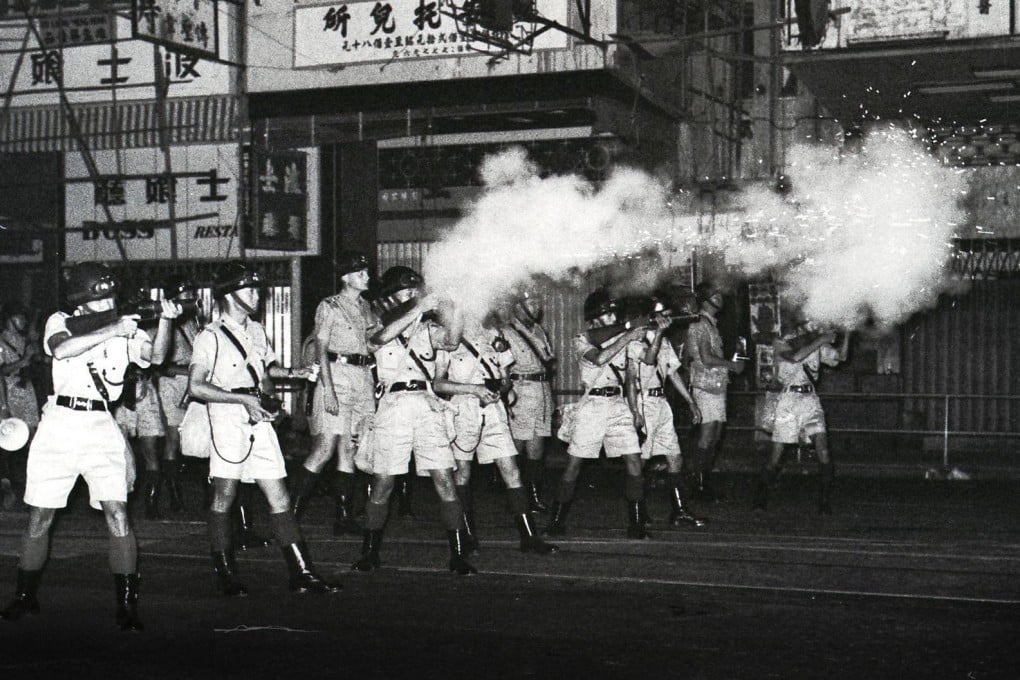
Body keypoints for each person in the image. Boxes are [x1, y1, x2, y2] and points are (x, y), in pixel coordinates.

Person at [0, 262, 181, 631]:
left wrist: (165, 322)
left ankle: (127, 605)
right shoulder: (59, 320)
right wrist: (114, 328)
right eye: (101, 298)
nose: (109, 303)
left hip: (102, 423)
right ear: (83, 301)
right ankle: (24, 596)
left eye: (111, 298)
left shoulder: (122, 328)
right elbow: (61, 350)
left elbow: (157, 357)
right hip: (61, 423)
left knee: (118, 513)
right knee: (41, 515)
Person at [188, 262, 340, 596]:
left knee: (279, 495)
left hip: (259, 421)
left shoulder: (256, 331)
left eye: (258, 289)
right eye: (250, 289)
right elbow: (197, 387)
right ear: (229, 294)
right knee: (225, 495)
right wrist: (240, 400)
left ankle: (302, 572)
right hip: (228, 420)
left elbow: (266, 370)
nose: (258, 295)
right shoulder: (209, 336)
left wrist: (294, 374)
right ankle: (226, 574)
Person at [349, 265, 476, 575]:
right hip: (393, 404)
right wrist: (419, 307)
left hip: (426, 404)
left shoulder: (424, 329)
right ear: (391, 297)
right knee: (383, 482)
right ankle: (370, 552)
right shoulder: (375, 324)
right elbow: (379, 339)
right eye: (405, 293)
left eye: (414, 293)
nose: (412, 297)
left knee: (444, 478)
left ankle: (458, 554)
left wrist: (456, 305)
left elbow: (451, 340)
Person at [433, 311, 557, 555]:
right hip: (463, 408)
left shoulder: (493, 335)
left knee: (511, 469)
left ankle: (529, 537)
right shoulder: (447, 338)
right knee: (463, 473)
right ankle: (467, 535)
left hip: (493, 409)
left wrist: (501, 388)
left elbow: (506, 378)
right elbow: (438, 384)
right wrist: (474, 389)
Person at [544, 289, 650, 539]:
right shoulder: (582, 339)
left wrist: (635, 411)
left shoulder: (626, 338)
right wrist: (628, 332)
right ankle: (556, 521)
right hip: (592, 406)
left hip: (617, 403)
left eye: (615, 313)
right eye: (609, 314)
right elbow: (601, 358)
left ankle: (636, 524)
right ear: (595, 318)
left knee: (634, 460)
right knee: (574, 464)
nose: (614, 317)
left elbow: (632, 379)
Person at [290, 252, 379, 537]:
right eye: (361, 272)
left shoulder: (367, 307)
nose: (367, 277)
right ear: (346, 277)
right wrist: (327, 390)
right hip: (337, 376)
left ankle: (343, 516)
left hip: (362, 377)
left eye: (366, 272)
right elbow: (321, 348)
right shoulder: (329, 306)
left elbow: (374, 344)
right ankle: (290, 515)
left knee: (349, 449)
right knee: (325, 448)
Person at [625, 294, 707, 529]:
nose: (669, 320)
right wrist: (634, 412)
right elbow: (633, 378)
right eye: (665, 316)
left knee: (675, 456)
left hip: (661, 403)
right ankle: (638, 513)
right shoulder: (636, 340)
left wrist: (690, 401)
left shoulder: (665, 342)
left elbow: (672, 373)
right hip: (644, 403)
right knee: (640, 461)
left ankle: (679, 511)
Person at [753, 320, 849, 515]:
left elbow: (841, 356)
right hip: (788, 400)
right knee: (776, 454)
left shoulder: (817, 343)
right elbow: (796, 357)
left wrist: (848, 333)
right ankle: (760, 499)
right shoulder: (780, 342)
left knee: (823, 451)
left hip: (810, 400)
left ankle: (824, 503)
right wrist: (821, 338)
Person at [684, 282, 745, 502]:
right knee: (707, 436)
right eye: (715, 294)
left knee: (715, 435)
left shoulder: (710, 324)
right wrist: (731, 364)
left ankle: (702, 482)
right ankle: (697, 486)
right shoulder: (701, 323)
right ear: (706, 298)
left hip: (716, 386)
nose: (720, 297)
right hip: (705, 385)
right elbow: (707, 358)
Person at [154, 276, 203, 516]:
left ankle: (204, 491)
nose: (190, 303)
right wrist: (189, 370)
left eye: (192, 298)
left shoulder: (194, 323)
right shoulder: (162, 324)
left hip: (193, 386)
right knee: (173, 441)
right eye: (185, 299)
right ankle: (173, 494)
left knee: (199, 437)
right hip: (172, 385)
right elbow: (158, 364)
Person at [503, 290, 556, 513]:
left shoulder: (538, 330)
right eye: (530, 303)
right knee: (518, 444)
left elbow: (547, 362)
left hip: (541, 390)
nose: (536, 307)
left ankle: (533, 496)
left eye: (537, 302)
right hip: (521, 390)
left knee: (537, 446)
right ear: (518, 306)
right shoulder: (507, 332)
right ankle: (514, 495)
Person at [0, 303, 42, 509]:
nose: (23, 322)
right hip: (9, 395)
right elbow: (2, 370)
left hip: (26, 394)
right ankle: (6, 482)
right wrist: (23, 361)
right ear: (10, 320)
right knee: (9, 441)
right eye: (20, 318)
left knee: (32, 439)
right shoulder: (1, 342)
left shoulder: (21, 340)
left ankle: (30, 487)